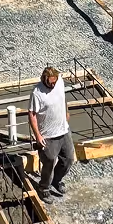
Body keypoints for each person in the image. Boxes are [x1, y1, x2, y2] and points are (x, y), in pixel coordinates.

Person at [28, 66, 75, 203]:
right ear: (44, 78)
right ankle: (44, 188)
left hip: (63, 130)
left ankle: (57, 180)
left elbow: (63, 97)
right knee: (49, 163)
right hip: (48, 136)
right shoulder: (37, 93)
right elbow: (31, 114)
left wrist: (66, 111)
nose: (53, 85)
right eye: (50, 82)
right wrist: (38, 135)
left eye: (54, 82)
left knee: (68, 159)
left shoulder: (59, 81)